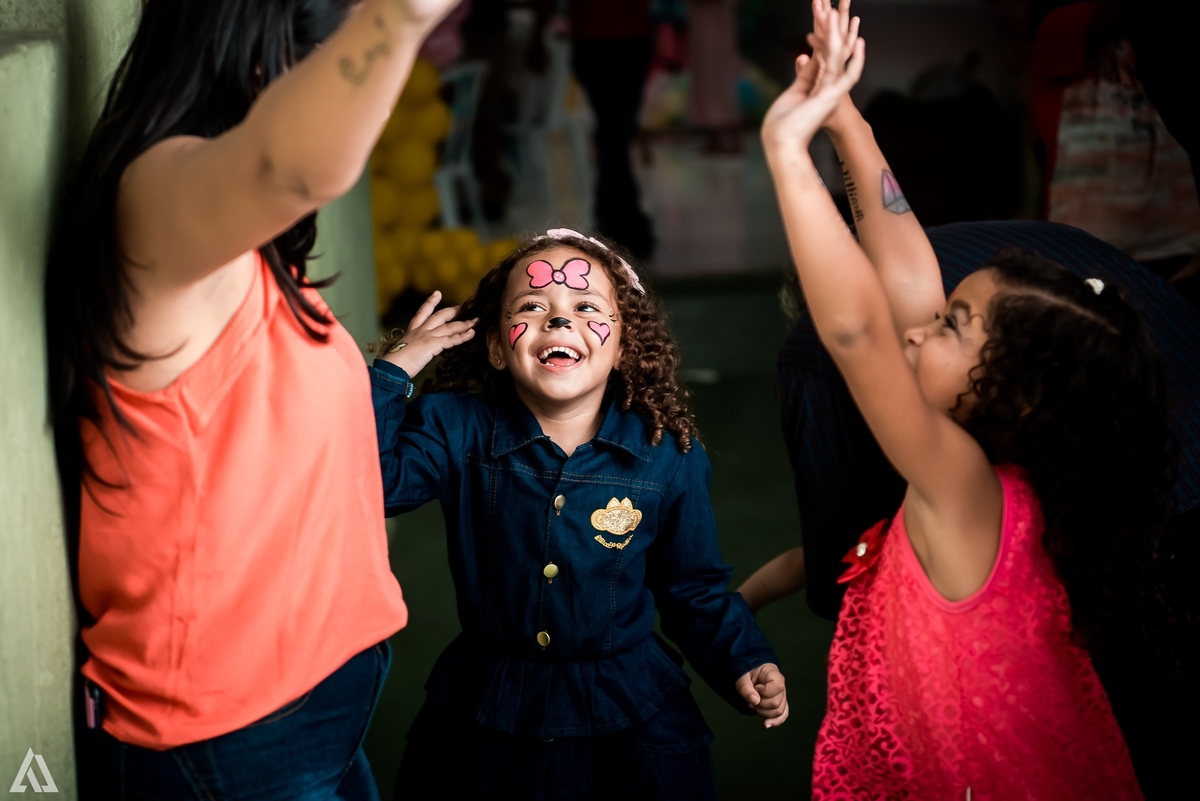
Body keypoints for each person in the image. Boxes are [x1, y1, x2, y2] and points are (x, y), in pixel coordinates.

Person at [45, 0, 461, 797]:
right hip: (224, 744)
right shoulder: (154, 206)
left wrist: (392, 368)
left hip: (314, 718)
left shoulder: (239, 245)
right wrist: (400, 18)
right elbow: (292, 165)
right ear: (268, 59)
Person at [757, 1, 1170, 795]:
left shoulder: (960, 482)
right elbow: (908, 271)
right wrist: (843, 115)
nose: (919, 329)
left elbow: (859, 333)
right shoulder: (992, 460)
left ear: (1011, 396)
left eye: (951, 325)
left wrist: (785, 150)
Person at [369, 229, 785, 799]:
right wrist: (398, 368)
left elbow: (694, 589)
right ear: (495, 346)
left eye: (586, 308)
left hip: (630, 716)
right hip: (486, 711)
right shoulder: (455, 426)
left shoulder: (668, 455)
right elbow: (368, 482)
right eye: (533, 307)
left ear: (623, 347)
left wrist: (743, 659)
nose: (559, 322)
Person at [569, 0, 657, 259]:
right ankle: (622, 222)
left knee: (616, 134)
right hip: (600, 38)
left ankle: (615, 220)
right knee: (615, 133)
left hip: (625, 37)